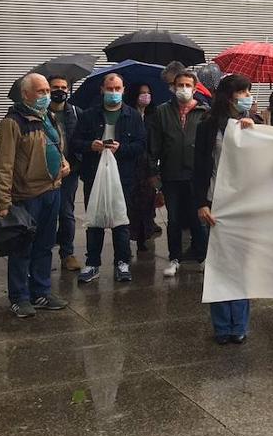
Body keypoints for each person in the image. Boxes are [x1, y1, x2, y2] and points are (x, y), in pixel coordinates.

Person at [0, 73, 71, 318]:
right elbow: (4, 164)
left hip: (52, 190)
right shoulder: (13, 122)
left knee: (45, 246)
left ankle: (41, 291)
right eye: (41, 91)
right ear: (25, 94)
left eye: (47, 90)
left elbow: (55, 146)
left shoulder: (49, 117)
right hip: (26, 194)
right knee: (22, 248)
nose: (47, 95)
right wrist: (3, 202)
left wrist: (64, 162)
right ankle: (19, 297)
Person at [194, 74, 260, 344]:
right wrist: (201, 202)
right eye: (243, 92)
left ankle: (239, 325)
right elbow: (199, 165)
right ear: (229, 96)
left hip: (244, 203)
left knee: (241, 266)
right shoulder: (208, 125)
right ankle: (222, 325)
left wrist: (253, 133)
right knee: (220, 265)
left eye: (249, 92)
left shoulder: (254, 123)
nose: (248, 97)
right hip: (216, 201)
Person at [70, 73, 147, 286]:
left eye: (117, 89)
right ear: (102, 90)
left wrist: (121, 148)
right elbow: (75, 142)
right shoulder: (89, 115)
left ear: (123, 90)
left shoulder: (132, 116)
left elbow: (141, 145)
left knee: (120, 220)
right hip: (94, 174)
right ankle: (92, 263)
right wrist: (90, 146)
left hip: (123, 176)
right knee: (95, 219)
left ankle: (122, 262)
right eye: (110, 89)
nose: (113, 93)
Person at [147, 71, 211, 278]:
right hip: (171, 174)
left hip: (196, 176)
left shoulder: (204, 112)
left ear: (195, 88)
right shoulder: (162, 111)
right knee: (173, 219)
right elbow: (154, 144)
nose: (183, 89)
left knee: (197, 219)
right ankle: (174, 258)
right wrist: (153, 172)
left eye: (187, 85)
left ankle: (203, 257)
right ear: (173, 88)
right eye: (180, 85)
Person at [47, 75, 83, 272]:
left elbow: (83, 138)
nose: (60, 90)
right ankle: (43, 253)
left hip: (70, 172)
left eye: (63, 87)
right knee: (46, 214)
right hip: (44, 173)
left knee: (66, 212)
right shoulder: (40, 113)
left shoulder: (76, 113)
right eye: (55, 87)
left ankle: (67, 253)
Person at [127, 83, 158, 253]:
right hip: (132, 164)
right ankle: (130, 235)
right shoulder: (129, 114)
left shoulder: (153, 116)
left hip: (148, 166)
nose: (145, 96)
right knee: (131, 204)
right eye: (142, 93)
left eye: (148, 93)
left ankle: (143, 236)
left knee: (147, 203)